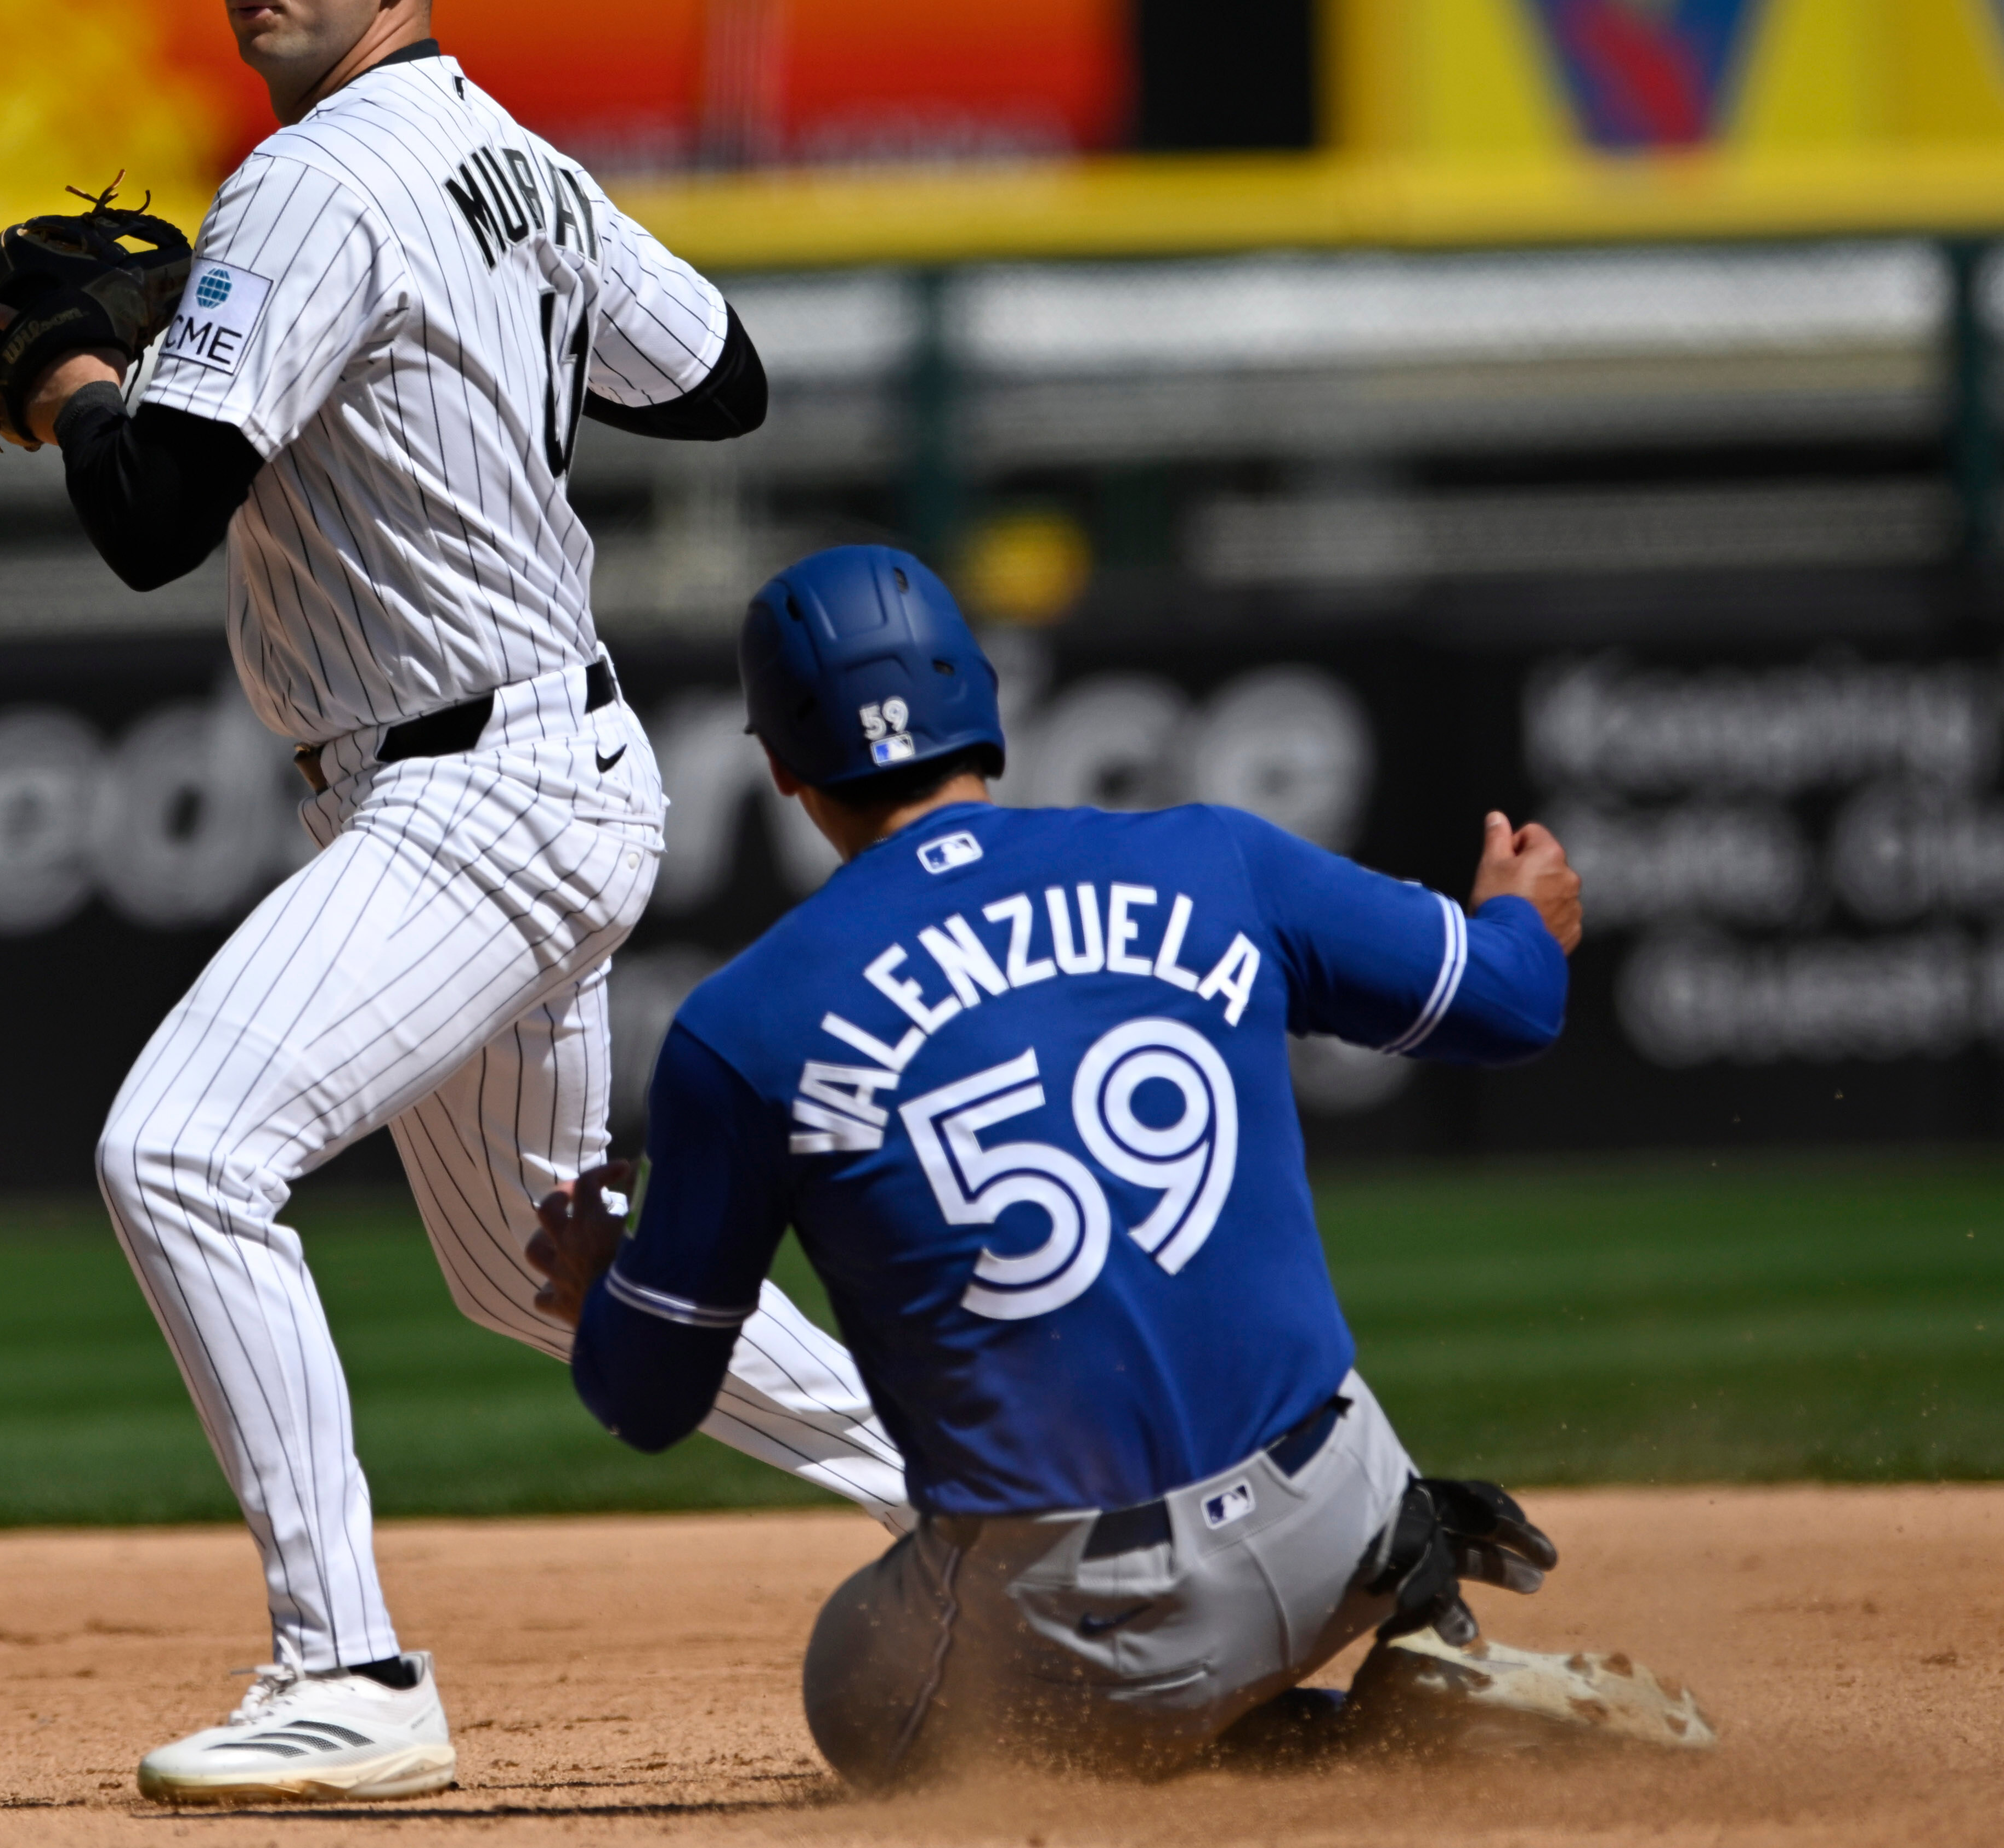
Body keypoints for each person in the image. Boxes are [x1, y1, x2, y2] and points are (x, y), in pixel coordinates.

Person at [0, 0, 908, 1806]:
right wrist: (498, 308)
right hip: (545, 758)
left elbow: (149, 517)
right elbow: (725, 373)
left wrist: (72, 372)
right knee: (540, 1267)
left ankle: (350, 1665)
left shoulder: (309, 186)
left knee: (183, 1154)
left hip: (473, 789)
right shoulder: (512, 162)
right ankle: (975, 1494)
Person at [531, 546, 1714, 1787]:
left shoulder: (741, 1027)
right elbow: (1511, 1005)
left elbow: (648, 1399)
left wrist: (597, 1287)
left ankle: (1314, 1751)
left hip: (1085, 1627)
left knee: (852, 1682)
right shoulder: (1215, 858)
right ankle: (1414, 1680)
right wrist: (1521, 912)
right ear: (986, 707)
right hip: (1346, 1527)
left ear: (777, 767)